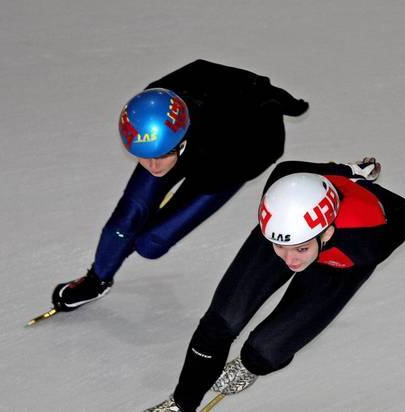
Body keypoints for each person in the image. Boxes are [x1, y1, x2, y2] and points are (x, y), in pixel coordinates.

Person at [145, 158, 405, 412]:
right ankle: (181, 404)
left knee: (265, 351)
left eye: (300, 249)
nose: (289, 259)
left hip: (341, 263)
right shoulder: (280, 195)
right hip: (304, 225)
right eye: (281, 246)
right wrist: (346, 170)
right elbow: (286, 168)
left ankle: (252, 362)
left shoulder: (367, 242)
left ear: (327, 232)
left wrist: (354, 182)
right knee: (218, 325)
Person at [51, 59, 309, 311]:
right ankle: (97, 280)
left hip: (225, 165)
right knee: (125, 221)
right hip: (200, 134)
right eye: (143, 156)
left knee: (151, 245)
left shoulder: (242, 142)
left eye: (162, 155)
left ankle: (132, 245)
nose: (153, 166)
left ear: (182, 143)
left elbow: (263, 132)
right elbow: (200, 69)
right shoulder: (150, 109)